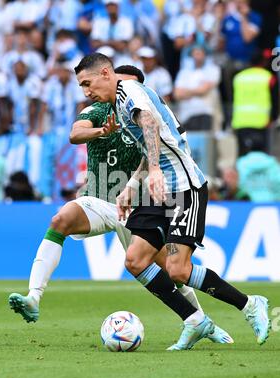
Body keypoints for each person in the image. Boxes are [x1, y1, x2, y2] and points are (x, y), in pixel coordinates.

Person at [8, 65, 232, 347]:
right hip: (100, 200)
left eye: (136, 88)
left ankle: (200, 321)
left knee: (171, 269)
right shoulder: (99, 110)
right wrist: (102, 131)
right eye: (125, 84)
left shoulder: (143, 117)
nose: (129, 93)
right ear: (112, 78)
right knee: (60, 220)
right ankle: (34, 296)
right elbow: (75, 133)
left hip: (141, 208)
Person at [75, 53, 270, 350]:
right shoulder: (119, 100)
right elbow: (149, 143)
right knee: (136, 260)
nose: (86, 91)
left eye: (87, 83)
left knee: (178, 269)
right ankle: (195, 321)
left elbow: (150, 123)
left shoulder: (128, 91)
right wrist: (132, 184)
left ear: (105, 73)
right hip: (158, 191)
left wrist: (154, 170)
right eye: (81, 86)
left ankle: (250, 304)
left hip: (183, 189)